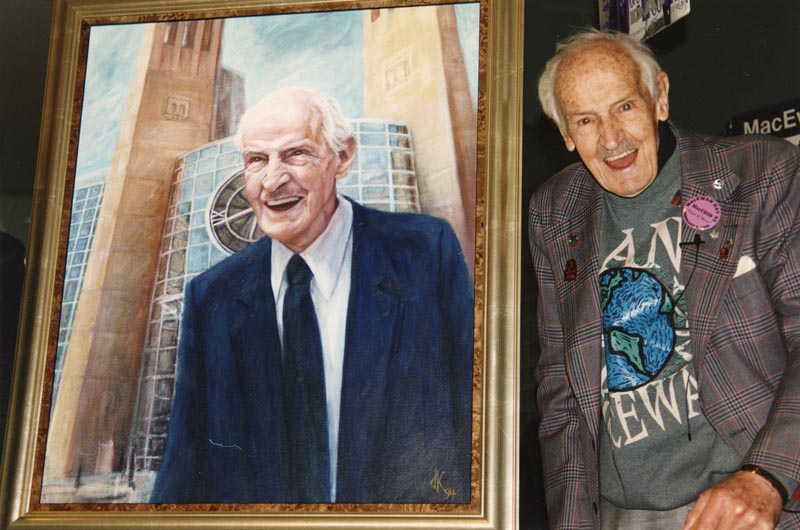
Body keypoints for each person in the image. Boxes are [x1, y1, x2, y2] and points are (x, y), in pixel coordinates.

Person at [528, 29, 800, 529]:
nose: (611, 139)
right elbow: (561, 393)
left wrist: (768, 477)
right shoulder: (553, 211)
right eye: (585, 121)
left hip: (751, 502)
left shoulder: (760, 174)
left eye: (625, 107)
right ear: (564, 134)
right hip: (624, 516)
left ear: (660, 97)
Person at [151, 87, 473, 505]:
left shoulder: (424, 254)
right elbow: (184, 468)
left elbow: (474, 423)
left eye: (296, 154)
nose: (272, 180)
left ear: (343, 157)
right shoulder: (212, 297)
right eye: (256, 160)